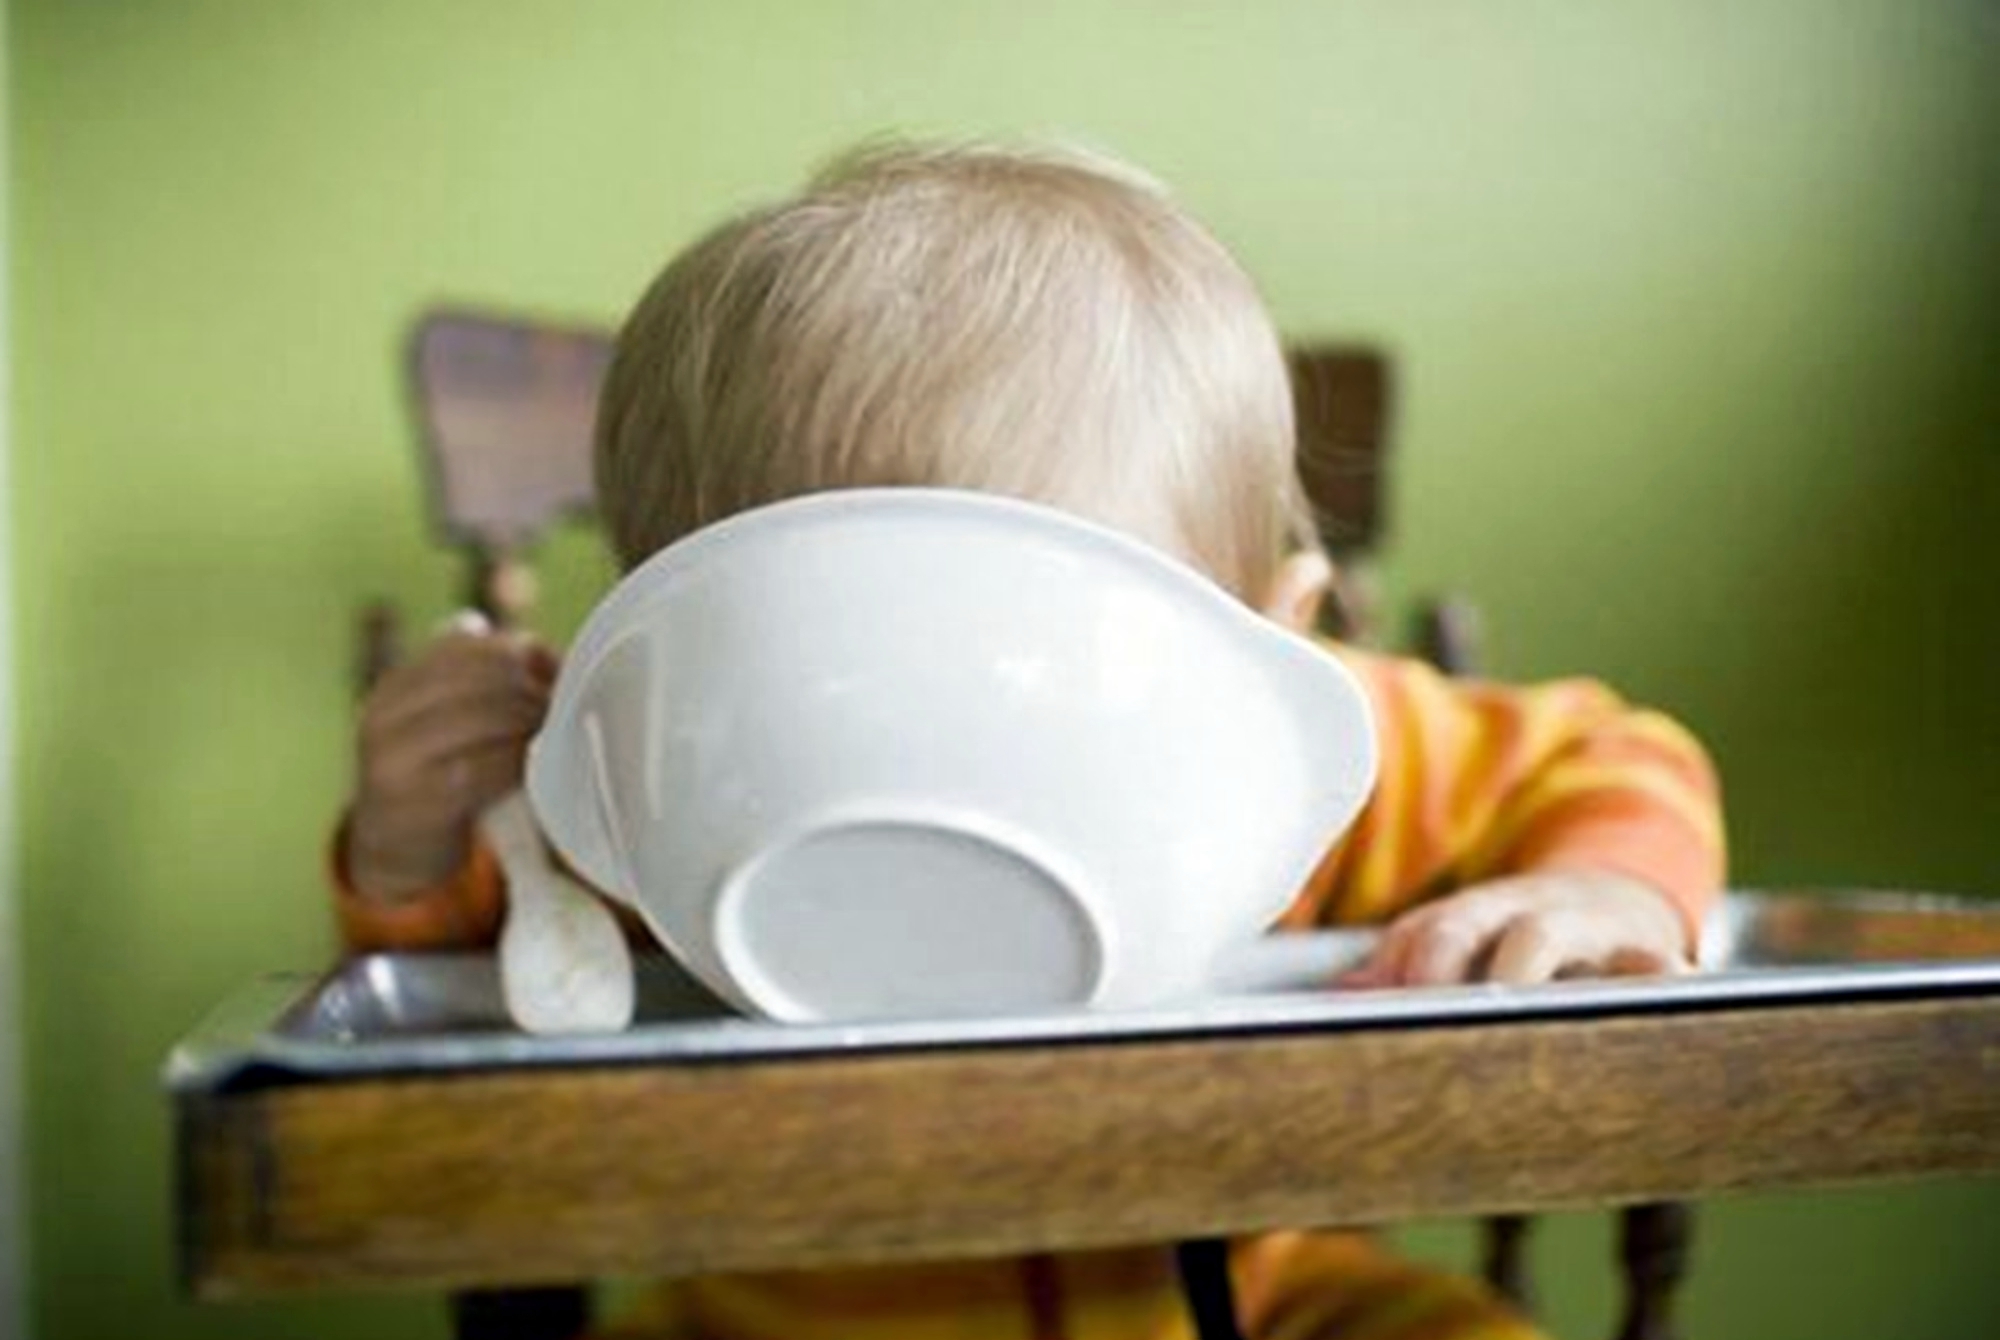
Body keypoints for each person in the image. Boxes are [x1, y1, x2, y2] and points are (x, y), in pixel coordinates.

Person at [334, 141, 1724, 1340]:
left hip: (1252, 1299)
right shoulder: (654, 779)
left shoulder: (1309, 757)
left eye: (1039, 682)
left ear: (1274, 655)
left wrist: (1598, 890)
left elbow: (1600, 759)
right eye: (841, 679)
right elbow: (487, 1018)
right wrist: (417, 849)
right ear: (678, 675)